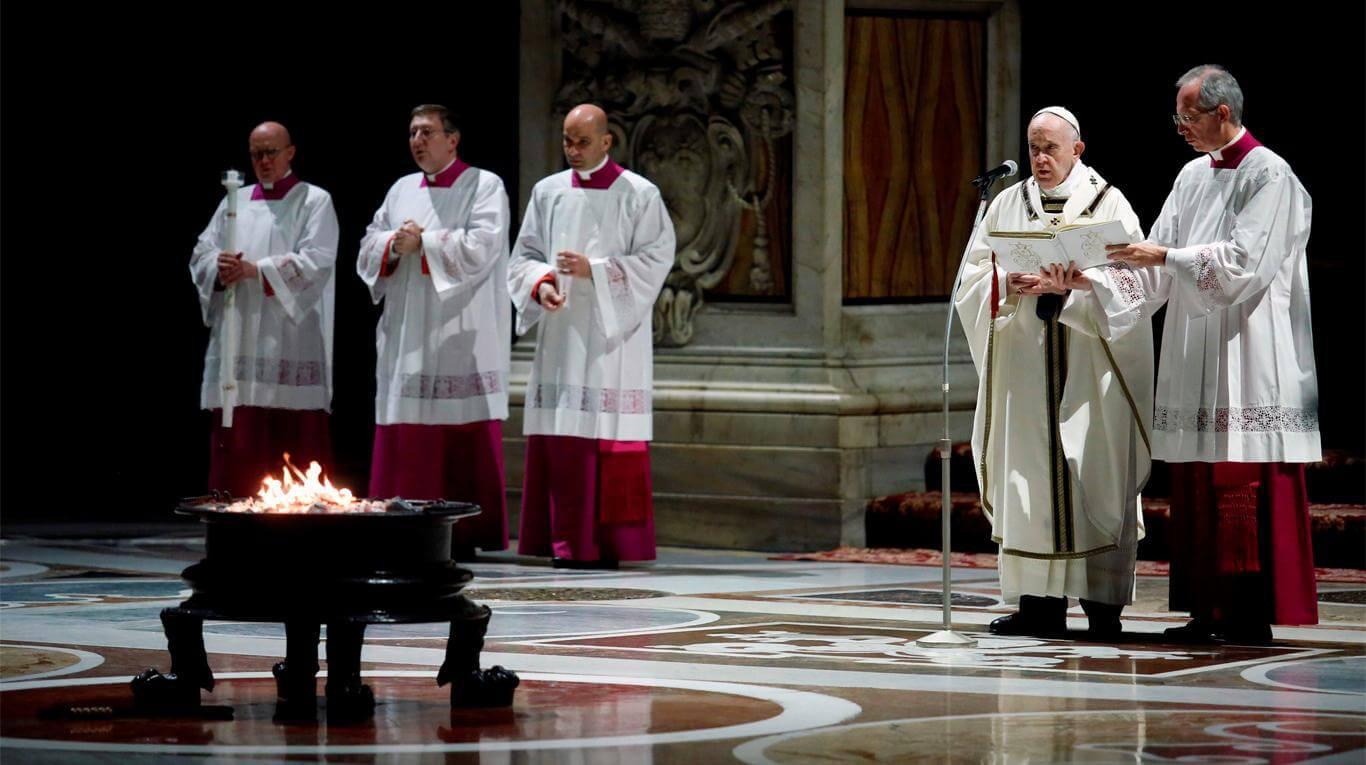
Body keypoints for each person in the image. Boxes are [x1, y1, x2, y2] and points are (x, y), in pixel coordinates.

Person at [1105, 66, 1319, 644]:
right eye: (1177, 117)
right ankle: (1206, 607)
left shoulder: (1270, 175)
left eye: (1188, 117)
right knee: (1198, 478)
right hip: (1194, 346)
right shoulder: (1192, 176)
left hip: (1248, 350)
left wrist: (1166, 258)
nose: (1180, 128)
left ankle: (1247, 612)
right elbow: (1155, 263)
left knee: (1239, 478)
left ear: (1223, 113)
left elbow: (1243, 265)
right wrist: (1086, 283)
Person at [956, 107, 1152, 638]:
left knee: (1093, 471)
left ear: (1077, 150)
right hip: (1025, 365)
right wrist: (1005, 283)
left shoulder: (1108, 203)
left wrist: (1080, 285)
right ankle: (1037, 603)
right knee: (1030, 480)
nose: (1039, 159)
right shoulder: (1004, 204)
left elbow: (1138, 284)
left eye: (1050, 149)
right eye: (1033, 148)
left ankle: (1102, 604)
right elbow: (971, 280)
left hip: (1089, 366)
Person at [508, 103, 676, 569]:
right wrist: (541, 285)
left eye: (583, 142)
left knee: (606, 433)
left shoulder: (640, 194)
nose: (573, 150)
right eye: (566, 141)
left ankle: (610, 544)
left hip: (611, 337)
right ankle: (564, 541)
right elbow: (522, 256)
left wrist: (595, 271)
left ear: (606, 141)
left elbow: (657, 258)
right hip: (563, 332)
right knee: (566, 433)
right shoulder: (548, 191)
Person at [357, 104, 512, 556]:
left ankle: (463, 532)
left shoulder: (484, 185)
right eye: (412, 133)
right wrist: (391, 244)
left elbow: (484, 246)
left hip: (461, 329)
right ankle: (399, 527)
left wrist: (423, 242)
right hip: (409, 327)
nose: (418, 141)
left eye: (427, 132)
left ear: (453, 138)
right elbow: (370, 241)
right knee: (409, 427)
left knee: (458, 425)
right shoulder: (402, 188)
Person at [190, 121, 339, 497]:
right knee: (241, 436)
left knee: (291, 440)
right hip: (238, 336)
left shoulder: (314, 200)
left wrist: (257, 271)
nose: (263, 161)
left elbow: (318, 261)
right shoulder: (234, 201)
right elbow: (201, 253)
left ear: (290, 152)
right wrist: (218, 268)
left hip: (289, 335)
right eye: (256, 154)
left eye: (271, 152)